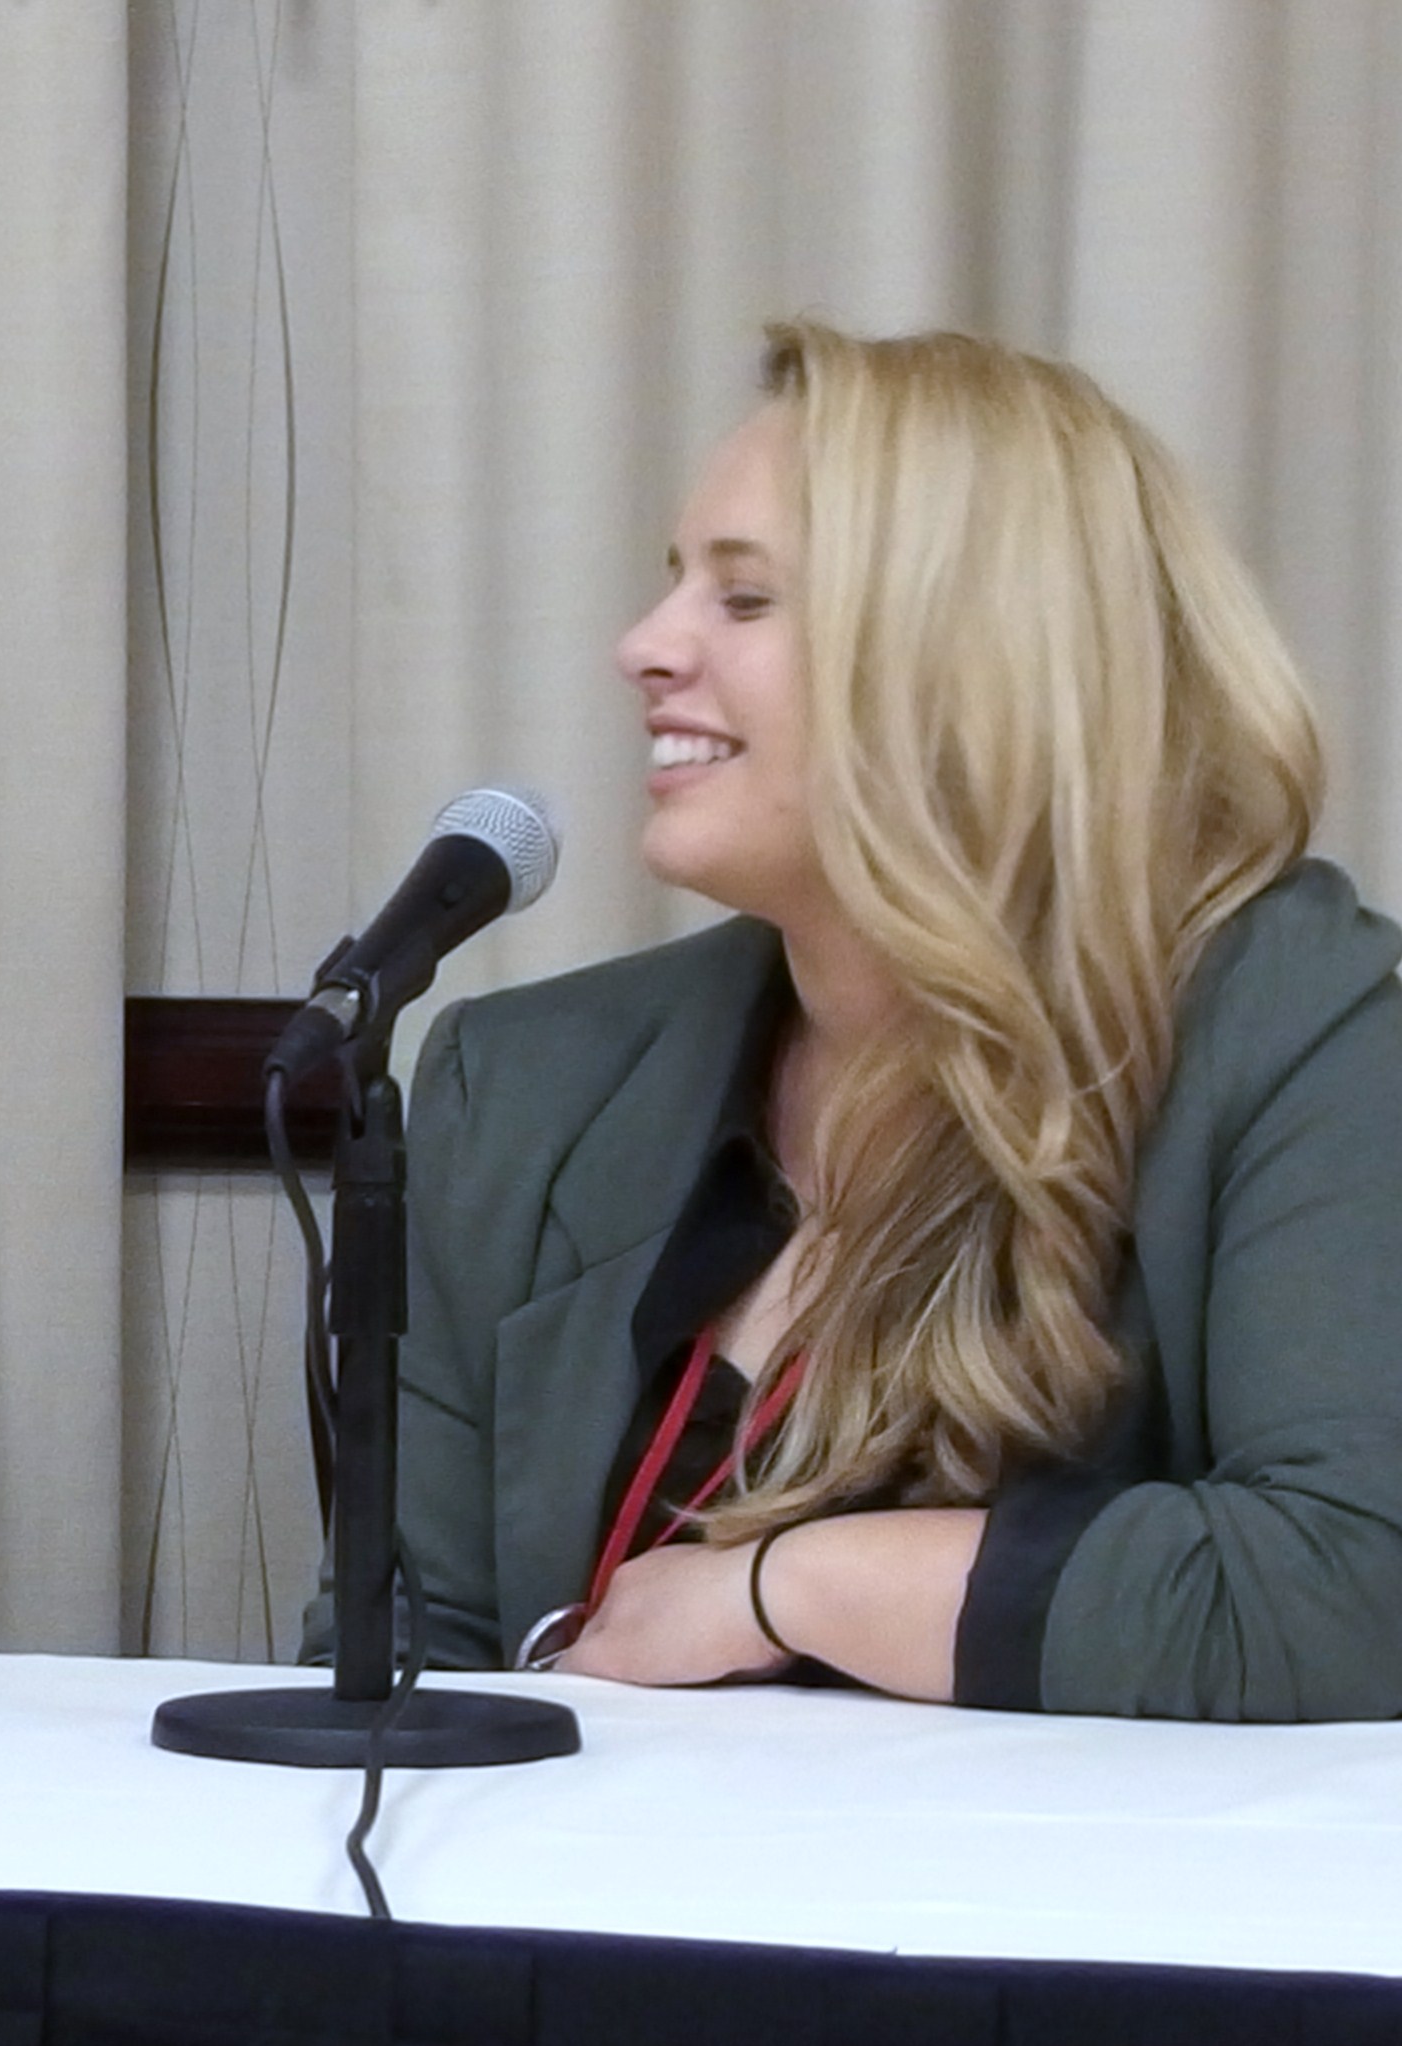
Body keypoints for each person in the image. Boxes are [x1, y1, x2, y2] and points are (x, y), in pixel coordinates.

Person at [371, 319, 1402, 1718]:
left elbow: (1344, 1595)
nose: (642, 647)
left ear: (970, 661)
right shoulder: (520, 1083)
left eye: (743, 602)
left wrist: (781, 1586)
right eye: (673, 584)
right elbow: (397, 1657)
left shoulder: (1300, 1027)